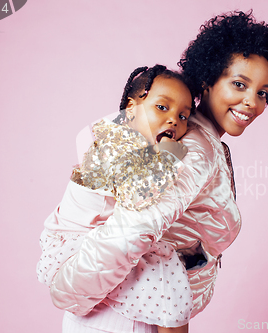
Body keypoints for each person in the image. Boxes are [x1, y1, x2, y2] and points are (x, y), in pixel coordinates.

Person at [37, 10, 268, 333]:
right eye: (239, 84)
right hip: (126, 318)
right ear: (208, 79)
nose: (251, 102)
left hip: (136, 312)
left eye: (261, 92)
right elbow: (133, 227)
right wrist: (70, 294)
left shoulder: (189, 138)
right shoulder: (195, 148)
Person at [39, 64, 196, 333]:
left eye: (184, 116)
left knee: (161, 261)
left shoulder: (140, 146)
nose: (174, 120)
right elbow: (137, 196)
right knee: (165, 268)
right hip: (73, 242)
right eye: (162, 107)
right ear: (131, 109)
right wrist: (171, 157)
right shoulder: (113, 143)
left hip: (94, 239)